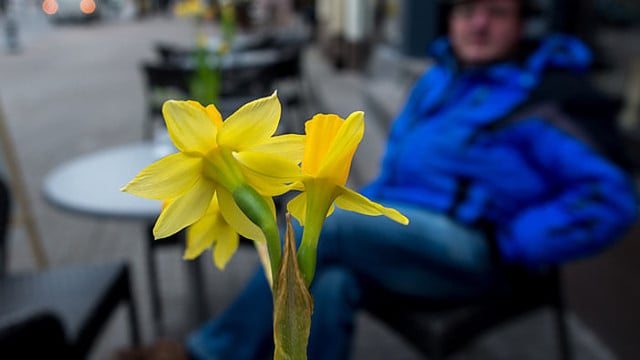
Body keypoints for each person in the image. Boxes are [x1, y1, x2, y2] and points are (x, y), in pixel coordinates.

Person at [122, 0, 639, 359]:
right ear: (450, 22)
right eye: (465, 11)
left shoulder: (547, 97)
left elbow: (609, 198)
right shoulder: (437, 80)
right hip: (405, 233)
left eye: (496, 11)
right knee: (329, 281)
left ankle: (205, 354)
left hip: (474, 248)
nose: (478, 24)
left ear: (521, 23)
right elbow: (397, 169)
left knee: (327, 231)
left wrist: (515, 242)